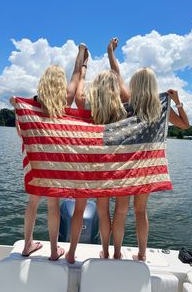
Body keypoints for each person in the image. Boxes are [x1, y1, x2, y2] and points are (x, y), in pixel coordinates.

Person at [10, 43, 87, 260]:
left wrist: (15, 107)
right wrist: (81, 56)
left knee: (33, 203)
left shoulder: (32, 105)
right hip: (55, 163)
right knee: (53, 204)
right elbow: (74, 75)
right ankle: (54, 251)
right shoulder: (64, 100)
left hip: (35, 162)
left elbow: (20, 133)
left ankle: (27, 245)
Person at [66, 39, 129, 263]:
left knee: (83, 211)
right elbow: (117, 73)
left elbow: (80, 82)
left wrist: (83, 65)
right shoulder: (123, 106)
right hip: (114, 165)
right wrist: (110, 52)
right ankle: (114, 251)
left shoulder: (85, 103)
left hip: (90, 163)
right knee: (112, 212)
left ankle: (73, 252)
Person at [128, 67, 189, 261]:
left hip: (126, 163)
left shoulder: (128, 103)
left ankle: (115, 251)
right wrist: (177, 102)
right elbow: (184, 125)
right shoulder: (160, 105)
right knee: (140, 210)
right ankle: (142, 254)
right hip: (147, 165)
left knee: (120, 210)